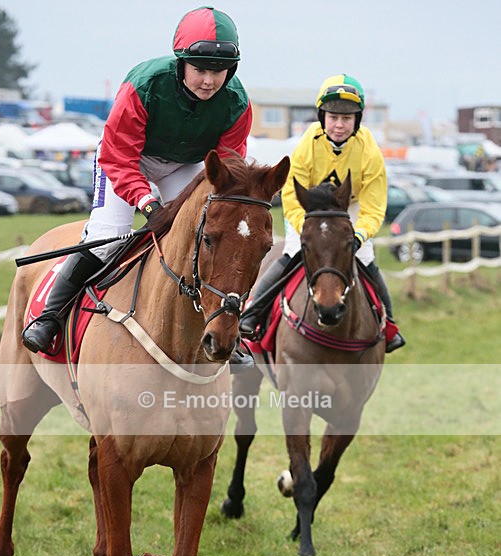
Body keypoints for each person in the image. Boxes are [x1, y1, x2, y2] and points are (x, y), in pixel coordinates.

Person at [22, 6, 255, 367]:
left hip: (186, 165)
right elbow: (119, 158)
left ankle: (225, 330)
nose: (209, 81)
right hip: (129, 158)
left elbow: (227, 170)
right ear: (181, 64)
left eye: (218, 71)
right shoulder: (143, 86)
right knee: (109, 236)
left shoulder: (237, 103)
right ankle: (50, 315)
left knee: (205, 237)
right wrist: (148, 205)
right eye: (200, 70)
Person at [240, 73, 405, 353]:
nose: (339, 125)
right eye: (333, 117)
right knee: (292, 254)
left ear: (357, 121)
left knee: (367, 258)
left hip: (349, 210)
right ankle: (252, 313)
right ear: (322, 117)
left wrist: (359, 236)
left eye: (347, 118)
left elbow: (374, 206)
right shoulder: (307, 143)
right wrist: (303, 226)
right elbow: (292, 193)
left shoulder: (369, 150)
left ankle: (388, 326)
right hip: (311, 212)